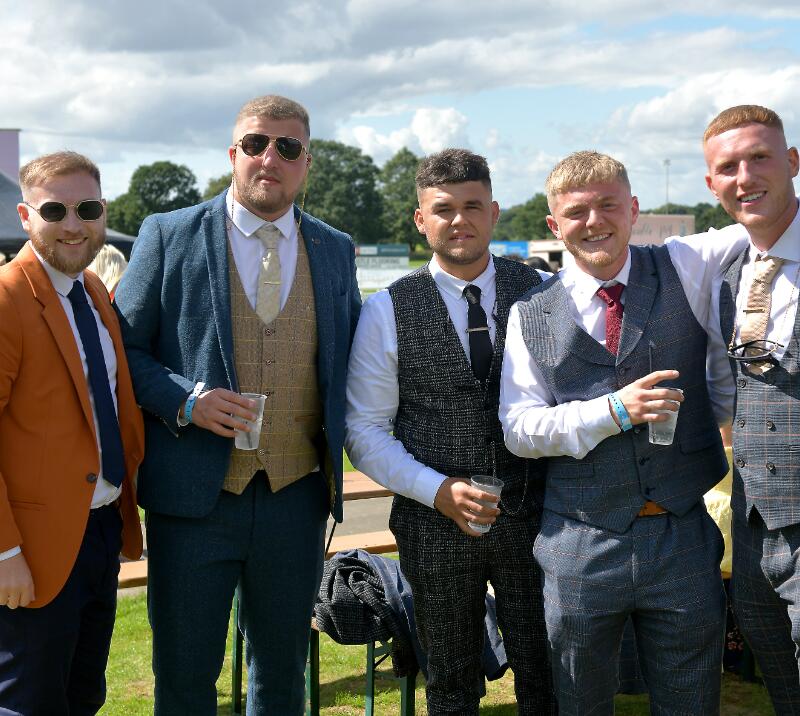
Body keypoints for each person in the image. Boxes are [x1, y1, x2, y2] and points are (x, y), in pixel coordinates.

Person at [113, 95, 360, 715]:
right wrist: (184, 400)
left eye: (288, 147)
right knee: (186, 675)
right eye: (255, 144)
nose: (269, 157)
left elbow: (349, 360)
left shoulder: (335, 248)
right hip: (194, 498)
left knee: (281, 676)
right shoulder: (168, 234)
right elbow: (126, 351)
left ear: (308, 162)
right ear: (233, 155)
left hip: (295, 495)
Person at [500, 150, 749, 714]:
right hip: (579, 541)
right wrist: (613, 411)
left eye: (608, 205)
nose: (595, 222)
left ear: (633, 208)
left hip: (682, 533)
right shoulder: (528, 312)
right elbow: (518, 429)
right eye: (577, 211)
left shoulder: (684, 263)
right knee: (580, 699)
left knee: (692, 699)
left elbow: (767, 217)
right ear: (553, 225)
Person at [345, 148, 555, 715]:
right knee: (450, 678)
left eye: (472, 206)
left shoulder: (542, 291)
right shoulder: (386, 309)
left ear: (493, 212)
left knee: (548, 669)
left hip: (534, 511)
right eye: (443, 209)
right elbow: (364, 430)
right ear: (420, 219)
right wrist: (435, 489)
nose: (458, 220)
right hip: (430, 518)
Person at [0, 151, 144, 714]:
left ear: (102, 211)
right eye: (55, 209)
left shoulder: (93, 291)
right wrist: (4, 550)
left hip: (100, 528)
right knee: (27, 702)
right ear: (25, 215)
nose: (72, 224)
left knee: (82, 696)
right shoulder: (9, 297)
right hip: (31, 545)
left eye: (86, 208)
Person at [704, 104, 800, 714]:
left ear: (792, 162)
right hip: (754, 521)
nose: (745, 177)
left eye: (759, 157)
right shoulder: (726, 270)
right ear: (711, 184)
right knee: (781, 680)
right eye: (728, 167)